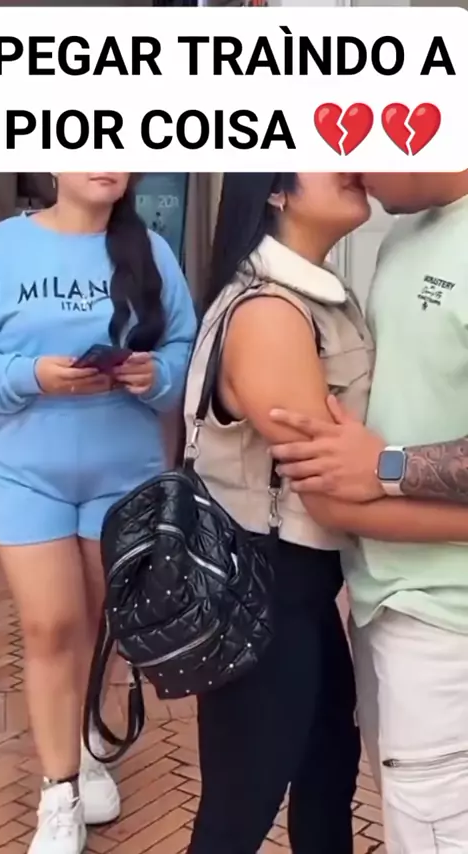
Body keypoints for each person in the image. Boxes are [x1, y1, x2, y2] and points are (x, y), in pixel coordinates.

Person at [0, 172, 197, 854]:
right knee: (51, 625)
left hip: (122, 477)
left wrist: (154, 375)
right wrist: (30, 375)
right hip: (24, 473)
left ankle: (89, 739)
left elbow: (185, 348)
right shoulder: (3, 247)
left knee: (101, 625)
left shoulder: (151, 251)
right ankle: (59, 793)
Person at [269, 171, 468, 853]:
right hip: (387, 604)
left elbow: (358, 472)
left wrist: (387, 467)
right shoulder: (404, 235)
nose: (350, 165)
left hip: (448, 622)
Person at [182, 171, 374, 854]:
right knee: (240, 811)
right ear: (275, 190)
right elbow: (330, 488)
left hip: (300, 593)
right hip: (265, 591)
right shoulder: (270, 312)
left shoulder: (319, 296)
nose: (353, 164)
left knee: (326, 778)